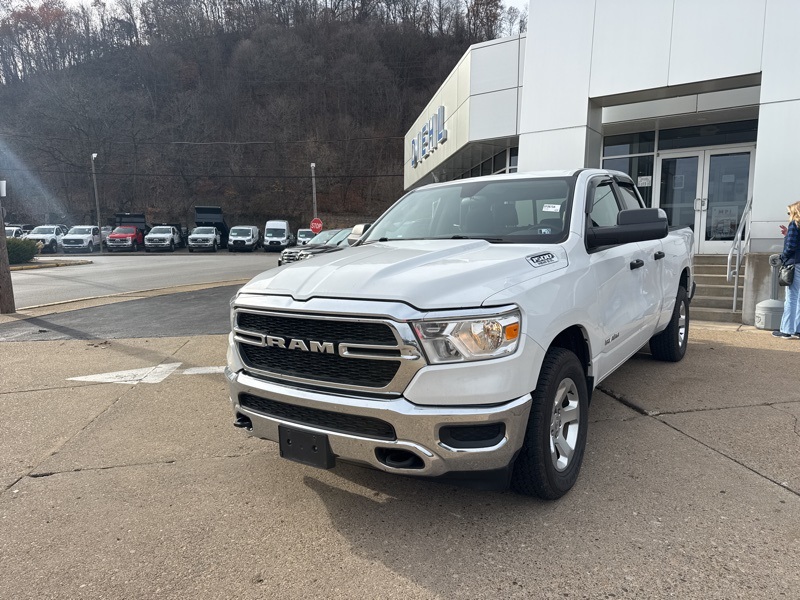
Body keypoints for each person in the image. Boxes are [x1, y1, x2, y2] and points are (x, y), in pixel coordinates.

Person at [774, 201, 800, 338]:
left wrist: (782, 257)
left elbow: (791, 247)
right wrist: (787, 234)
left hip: (794, 264)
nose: (788, 215)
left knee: (791, 297)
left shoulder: (794, 225)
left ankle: (787, 330)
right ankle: (797, 329)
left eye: (789, 212)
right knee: (799, 298)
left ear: (795, 212)